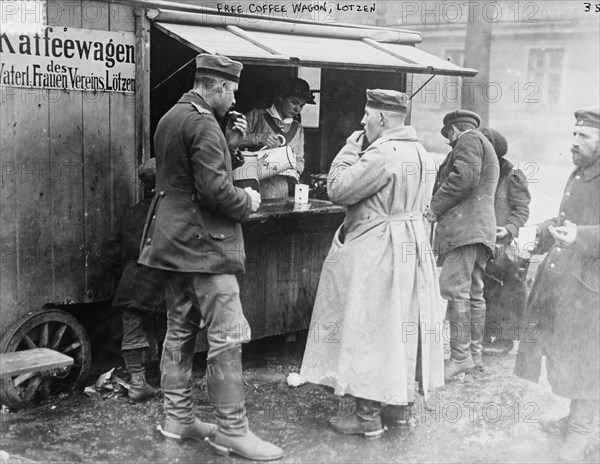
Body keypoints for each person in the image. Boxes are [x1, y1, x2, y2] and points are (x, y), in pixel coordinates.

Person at [138, 53, 283, 461]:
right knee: (227, 336)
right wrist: (249, 199)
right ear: (215, 86)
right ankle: (233, 431)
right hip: (206, 248)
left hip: (173, 244)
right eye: (231, 90)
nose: (233, 97)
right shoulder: (202, 123)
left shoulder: (174, 116)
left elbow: (181, 175)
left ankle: (177, 419)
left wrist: (228, 144)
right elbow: (216, 192)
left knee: (180, 332)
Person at [300, 89, 445, 437]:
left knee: (370, 325)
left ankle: (366, 416)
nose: (363, 121)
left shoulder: (383, 152)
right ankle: (399, 410)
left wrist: (351, 147)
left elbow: (338, 189)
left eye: (367, 115)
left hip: (380, 246)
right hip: (411, 244)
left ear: (382, 118)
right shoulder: (421, 151)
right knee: (401, 326)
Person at [514, 107, 599, 462]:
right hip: (566, 281)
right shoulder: (581, 174)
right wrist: (537, 232)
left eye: (585, 137)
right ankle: (573, 419)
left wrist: (579, 235)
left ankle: (581, 430)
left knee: (587, 357)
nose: (575, 143)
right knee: (564, 352)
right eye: (574, 136)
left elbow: (579, 229)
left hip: (591, 286)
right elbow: (567, 220)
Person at [425, 110, 499, 380]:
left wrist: (434, 207)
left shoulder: (468, 140)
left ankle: (459, 357)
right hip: (479, 230)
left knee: (455, 291)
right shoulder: (482, 142)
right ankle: (474, 356)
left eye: (448, 137)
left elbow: (464, 177)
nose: (448, 142)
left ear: (453, 129)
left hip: (464, 230)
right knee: (473, 292)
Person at [108, 158, 165, 403]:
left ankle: (137, 384)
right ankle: (170, 380)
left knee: (132, 332)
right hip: (159, 284)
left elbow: (113, 251)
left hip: (129, 283)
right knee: (169, 329)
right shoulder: (169, 212)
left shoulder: (131, 212)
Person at [478, 128, 531, 355]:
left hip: (503, 245)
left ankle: (504, 339)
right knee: (481, 288)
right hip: (480, 240)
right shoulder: (476, 171)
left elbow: (521, 209)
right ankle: (480, 335)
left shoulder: (513, 176)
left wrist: (509, 229)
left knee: (504, 291)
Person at [238, 77, 315, 198]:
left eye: (301, 105)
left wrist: (293, 170)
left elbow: (300, 160)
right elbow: (230, 141)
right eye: (294, 102)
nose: (297, 109)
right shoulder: (256, 116)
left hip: (284, 190)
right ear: (280, 97)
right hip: (251, 187)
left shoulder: (298, 128)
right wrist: (257, 138)